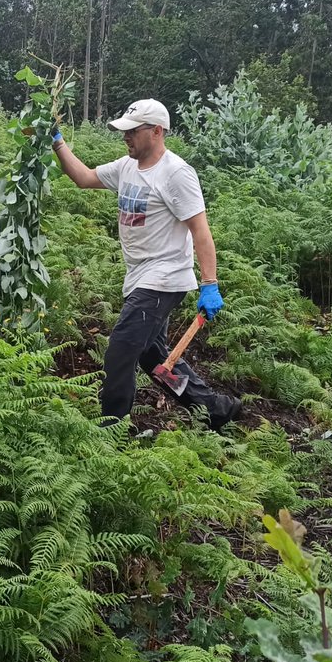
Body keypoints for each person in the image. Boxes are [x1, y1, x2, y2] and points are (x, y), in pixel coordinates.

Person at [51, 98, 242, 430]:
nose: (126, 137)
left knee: (120, 350)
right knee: (153, 357)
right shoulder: (127, 167)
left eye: (133, 131)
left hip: (164, 278)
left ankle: (112, 430)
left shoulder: (175, 173)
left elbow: (200, 230)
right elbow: (84, 178)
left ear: (156, 131)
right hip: (139, 276)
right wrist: (57, 142)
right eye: (124, 131)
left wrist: (209, 284)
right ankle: (217, 411)